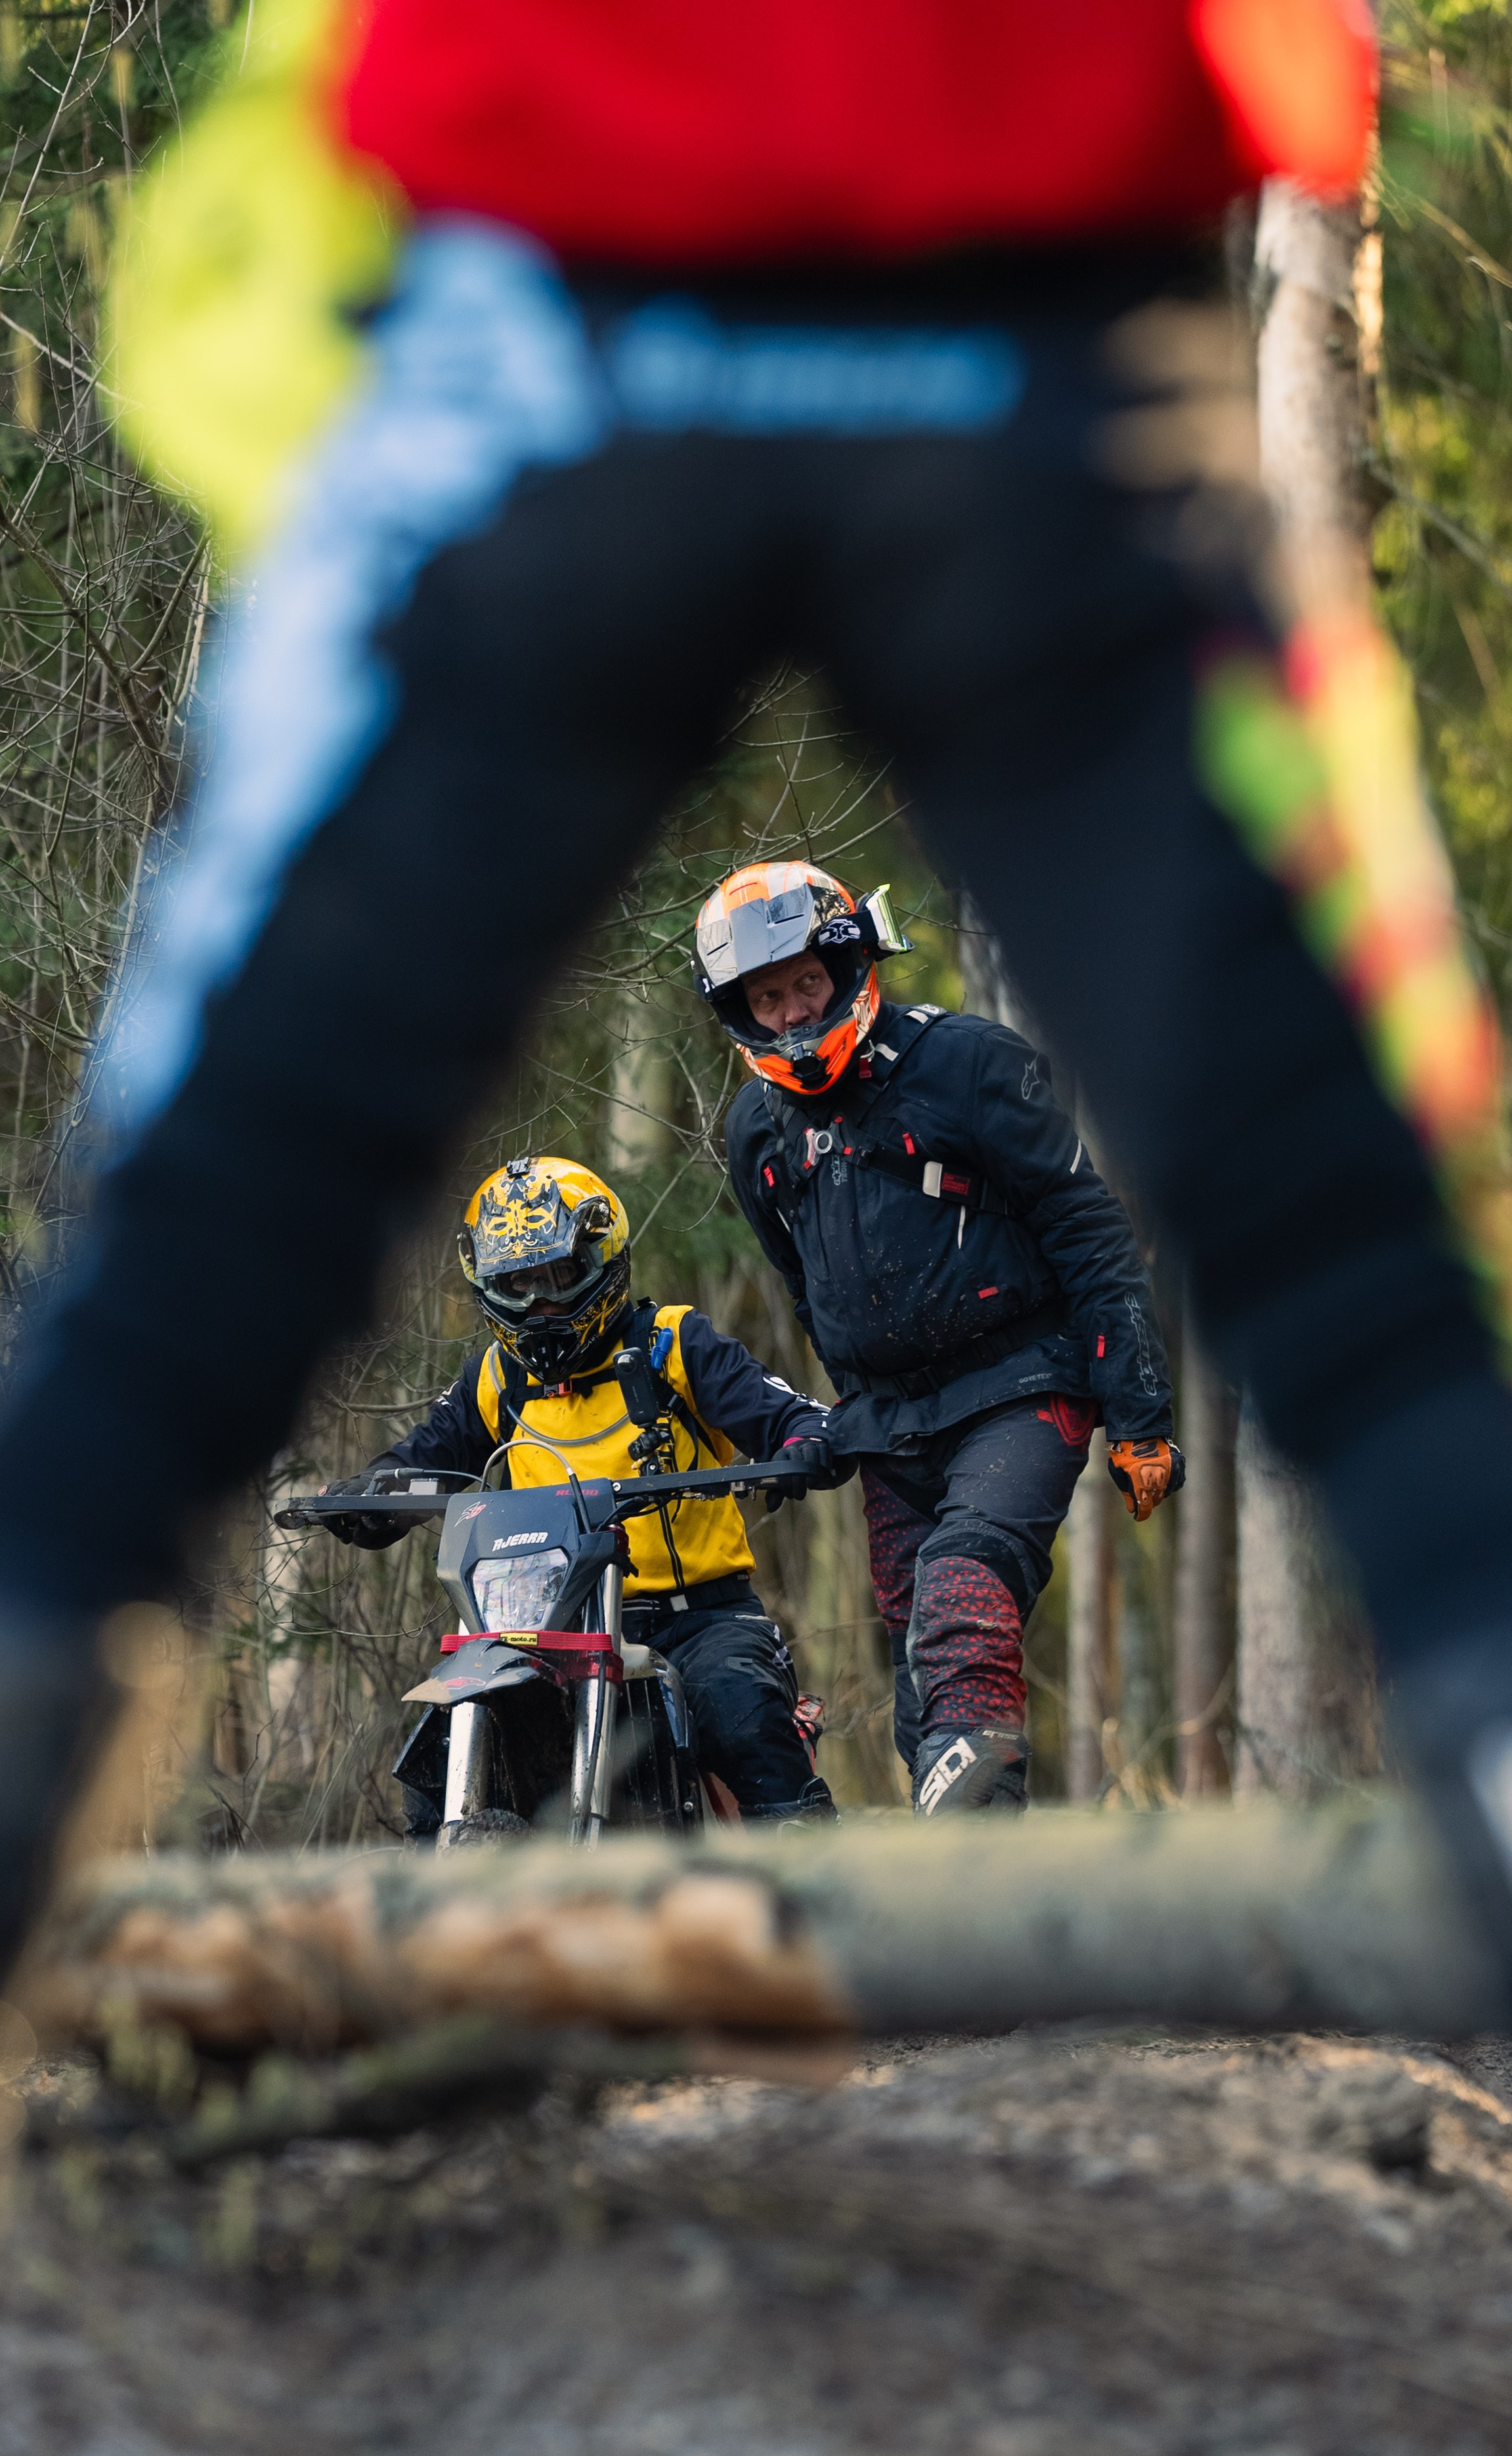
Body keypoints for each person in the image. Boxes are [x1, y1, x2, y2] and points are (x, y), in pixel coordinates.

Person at [5, 2, 1512, 1991]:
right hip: (1025, 305)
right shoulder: (733, 1145)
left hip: (558, 289)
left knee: (228, 1179)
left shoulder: (934, 1076)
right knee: (1325, 1193)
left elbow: (1030, 1235)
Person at [701, 861, 1180, 1813]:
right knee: (921, 1692)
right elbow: (805, 1284)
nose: (794, 1010)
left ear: (848, 967)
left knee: (962, 1591)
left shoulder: (965, 1062)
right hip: (889, 1426)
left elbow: (1085, 1225)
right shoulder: (754, 1131)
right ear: (741, 1012)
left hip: (1020, 1385)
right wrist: (845, 1416)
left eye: (806, 982)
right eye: (768, 996)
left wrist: (1137, 1410)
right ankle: (988, 1906)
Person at [321, 1156, 840, 1830]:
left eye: (556, 1276)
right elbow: (424, 1459)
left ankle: (807, 1881)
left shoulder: (674, 1343)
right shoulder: (494, 1376)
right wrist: (367, 1496)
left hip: (700, 1621)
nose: (538, 1302)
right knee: (441, 1737)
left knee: (741, 1710)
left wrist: (801, 1446)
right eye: (516, 1282)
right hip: (548, 1631)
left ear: (601, 1261)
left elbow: (789, 1415)